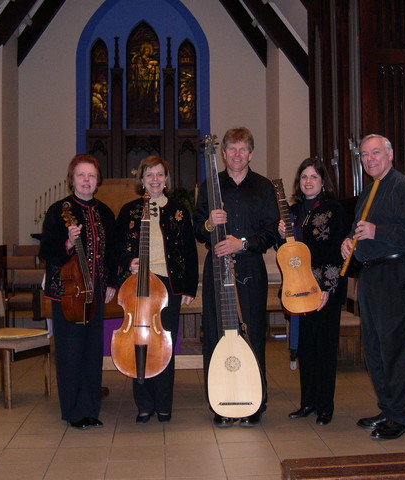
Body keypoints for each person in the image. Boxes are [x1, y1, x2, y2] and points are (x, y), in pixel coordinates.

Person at [341, 134, 405, 440]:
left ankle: (401, 417)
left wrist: (377, 230)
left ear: (390, 155)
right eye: (365, 155)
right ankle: (387, 408)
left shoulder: (403, 187)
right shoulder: (368, 192)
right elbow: (362, 233)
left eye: (375, 153)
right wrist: (349, 243)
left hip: (396, 274)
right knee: (377, 350)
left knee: (395, 348)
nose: (370, 159)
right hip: (371, 275)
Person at [193, 126, 279, 428]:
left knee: (253, 332)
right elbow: (196, 228)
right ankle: (220, 401)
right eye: (232, 149)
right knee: (217, 334)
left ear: (251, 153)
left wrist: (241, 243)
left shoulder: (264, 187)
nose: (237, 154)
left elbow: (270, 231)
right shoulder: (210, 185)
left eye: (243, 149)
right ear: (223, 152)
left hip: (251, 268)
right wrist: (208, 223)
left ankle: (255, 401)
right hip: (218, 269)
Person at [116, 155, 198, 424]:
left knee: (164, 344)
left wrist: (188, 287)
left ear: (166, 180)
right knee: (137, 342)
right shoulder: (129, 211)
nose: (154, 179)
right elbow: (117, 248)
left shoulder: (178, 209)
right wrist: (130, 261)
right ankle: (143, 404)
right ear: (142, 179)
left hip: (168, 285)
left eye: (160, 174)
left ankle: (164, 404)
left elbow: (188, 249)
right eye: (149, 174)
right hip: (137, 284)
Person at [40, 154, 120, 430]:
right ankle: (73, 411)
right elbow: (46, 251)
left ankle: (89, 409)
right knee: (70, 352)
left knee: (91, 353)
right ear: (71, 179)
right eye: (81, 175)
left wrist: (111, 282)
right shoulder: (56, 211)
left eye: (91, 176)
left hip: (95, 293)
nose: (86, 180)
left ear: (98, 181)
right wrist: (67, 242)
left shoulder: (105, 212)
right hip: (67, 294)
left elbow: (112, 253)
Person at [280, 158, 348, 426]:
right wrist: (280, 234)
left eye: (313, 177)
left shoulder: (334, 210)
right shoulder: (293, 211)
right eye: (304, 177)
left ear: (323, 182)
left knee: (324, 349)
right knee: (305, 348)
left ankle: (325, 406)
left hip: (323, 290)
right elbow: (289, 253)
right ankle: (307, 402)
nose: (308, 181)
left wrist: (328, 289)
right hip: (299, 289)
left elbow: (337, 252)